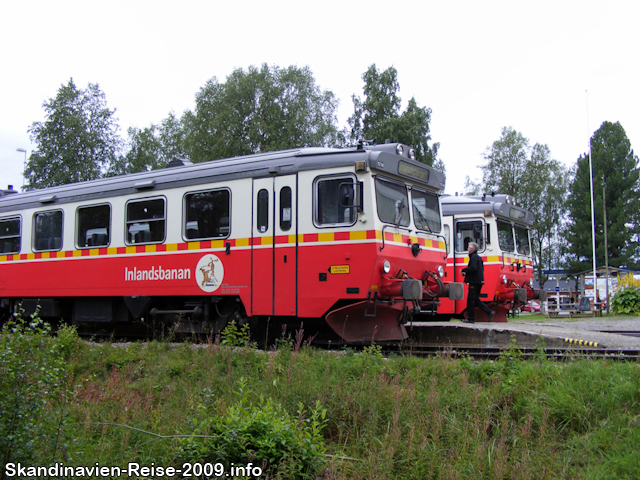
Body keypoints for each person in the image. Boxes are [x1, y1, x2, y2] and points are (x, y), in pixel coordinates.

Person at [460, 242, 495, 323]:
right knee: (476, 299)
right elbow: (478, 270)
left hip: (474, 282)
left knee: (470, 300)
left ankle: (471, 319)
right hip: (479, 281)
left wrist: (464, 270)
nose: (467, 249)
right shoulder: (478, 258)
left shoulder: (473, 257)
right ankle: (489, 312)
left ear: (472, 249)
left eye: (468, 247)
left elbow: (473, 268)